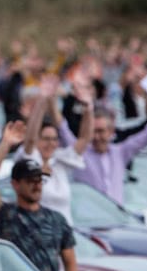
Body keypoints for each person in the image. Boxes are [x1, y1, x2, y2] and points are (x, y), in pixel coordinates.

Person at [0, 121, 77, 271]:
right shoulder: (7, 215)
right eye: (30, 181)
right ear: (16, 185)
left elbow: (71, 265)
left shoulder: (57, 219)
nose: (37, 185)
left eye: (39, 180)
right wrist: (6, 144)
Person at [59, 101, 147, 206]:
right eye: (93, 131)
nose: (96, 137)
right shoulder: (80, 152)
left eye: (101, 131)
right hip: (88, 221)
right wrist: (49, 97)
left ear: (111, 131)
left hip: (116, 219)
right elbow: (62, 129)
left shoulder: (120, 152)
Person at [15, 80, 93, 224]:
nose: (50, 144)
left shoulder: (59, 162)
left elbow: (84, 139)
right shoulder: (30, 159)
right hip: (39, 232)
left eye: (54, 139)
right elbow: (30, 139)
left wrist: (88, 108)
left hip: (64, 236)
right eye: (45, 139)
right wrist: (41, 101)